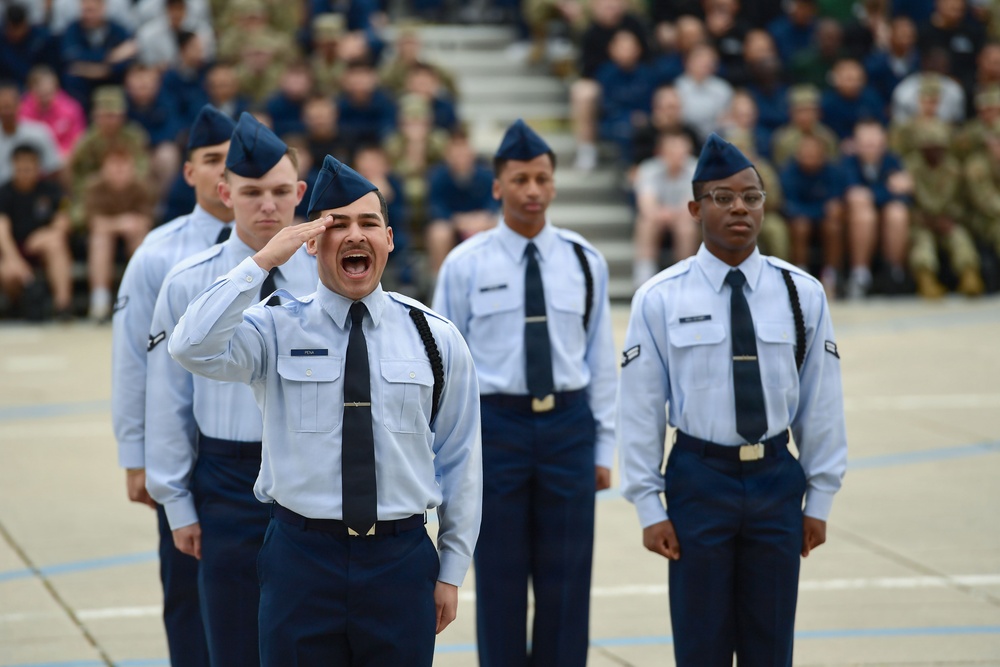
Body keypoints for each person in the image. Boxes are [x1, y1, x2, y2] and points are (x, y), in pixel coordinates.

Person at [167, 152, 482, 667]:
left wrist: (451, 569)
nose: (356, 236)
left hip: (400, 561)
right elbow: (190, 346)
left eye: (369, 224)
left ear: (389, 239)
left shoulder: (433, 336)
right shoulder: (274, 326)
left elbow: (461, 460)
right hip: (301, 559)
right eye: (338, 225)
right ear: (311, 241)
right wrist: (263, 261)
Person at [618, 133, 848, 667]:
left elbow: (821, 403)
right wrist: (650, 505)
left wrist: (820, 499)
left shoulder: (801, 293)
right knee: (701, 644)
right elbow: (641, 409)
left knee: (771, 644)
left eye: (752, 195)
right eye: (723, 197)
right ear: (696, 208)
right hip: (700, 479)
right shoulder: (661, 298)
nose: (740, 207)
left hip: (775, 479)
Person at [432, 119, 618, 667]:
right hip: (497, 430)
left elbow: (599, 360)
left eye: (541, 178)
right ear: (497, 187)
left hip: (567, 426)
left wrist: (602, 448)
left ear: (554, 184)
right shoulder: (466, 264)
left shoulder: (585, 261)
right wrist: (446, 458)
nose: (532, 191)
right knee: (499, 579)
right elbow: (446, 369)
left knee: (568, 579)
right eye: (519, 180)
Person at [145, 112, 318, 665]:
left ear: (300, 192)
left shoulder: (328, 277)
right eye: (251, 192)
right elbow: (168, 398)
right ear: (224, 192)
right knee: (232, 643)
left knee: (306, 640)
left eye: (279, 191)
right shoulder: (189, 280)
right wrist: (176, 500)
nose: (267, 205)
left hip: (309, 477)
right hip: (224, 481)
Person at [110, 105, 235, 667]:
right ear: (189, 173)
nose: (225, 175)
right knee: (188, 594)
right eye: (212, 161)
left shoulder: (280, 249)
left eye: (236, 164)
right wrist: (135, 457)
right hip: (183, 450)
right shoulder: (160, 256)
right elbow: (133, 361)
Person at [904, 120, 984, 297]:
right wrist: (920, 218)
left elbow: (963, 201)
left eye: (938, 147)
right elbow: (905, 200)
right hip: (921, 221)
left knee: (959, 236)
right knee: (922, 242)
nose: (934, 151)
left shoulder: (954, 168)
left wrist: (952, 218)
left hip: (947, 220)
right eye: (929, 147)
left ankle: (969, 275)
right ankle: (926, 280)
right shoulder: (910, 167)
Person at [0, 144, 73, 321]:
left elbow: (64, 220)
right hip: (12, 250)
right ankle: (20, 303)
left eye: (29, 169)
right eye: (21, 169)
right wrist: (15, 260)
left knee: (56, 245)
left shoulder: (51, 190)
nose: (25, 173)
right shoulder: (4, 192)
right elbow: (2, 228)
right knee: (8, 272)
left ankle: (63, 306)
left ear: (38, 167)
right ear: (13, 167)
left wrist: (48, 234)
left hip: (41, 247)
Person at [841, 119, 912, 297]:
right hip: (851, 217)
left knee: (898, 212)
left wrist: (873, 195)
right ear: (855, 145)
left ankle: (894, 272)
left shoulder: (892, 160)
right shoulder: (847, 163)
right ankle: (860, 274)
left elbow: (903, 193)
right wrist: (887, 190)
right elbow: (852, 194)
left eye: (875, 144)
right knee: (864, 214)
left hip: (884, 214)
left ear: (884, 144)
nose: (871, 149)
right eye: (866, 145)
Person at [84, 145, 155, 321]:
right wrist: (121, 223)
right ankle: (99, 301)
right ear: (104, 168)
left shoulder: (141, 187)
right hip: (105, 237)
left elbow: (146, 221)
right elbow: (93, 223)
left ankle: (143, 297)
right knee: (100, 240)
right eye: (114, 166)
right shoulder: (94, 187)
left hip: (132, 235)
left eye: (123, 166)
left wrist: (126, 224)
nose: (119, 171)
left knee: (141, 238)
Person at [425, 128, 499, 279]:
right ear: (448, 155)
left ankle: (495, 276)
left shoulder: (486, 174)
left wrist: (481, 219)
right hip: (451, 224)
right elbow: (435, 206)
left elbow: (494, 202)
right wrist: (459, 221)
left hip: (481, 222)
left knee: (498, 226)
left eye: (463, 150)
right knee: (438, 233)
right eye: (455, 151)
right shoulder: (437, 176)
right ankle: (440, 280)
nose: (460, 156)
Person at [632, 131, 699, 287]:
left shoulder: (695, 168)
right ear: (661, 152)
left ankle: (686, 275)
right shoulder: (648, 169)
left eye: (680, 151)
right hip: (657, 217)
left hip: (684, 218)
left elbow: (692, 206)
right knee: (646, 222)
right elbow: (646, 204)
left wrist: (671, 214)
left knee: (686, 227)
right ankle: (644, 274)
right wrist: (661, 214)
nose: (676, 155)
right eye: (671, 151)